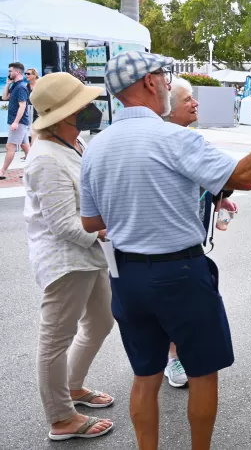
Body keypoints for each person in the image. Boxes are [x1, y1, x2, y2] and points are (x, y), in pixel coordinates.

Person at [79, 51, 251, 450]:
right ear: (150, 83)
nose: (167, 83)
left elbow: (91, 222)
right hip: (179, 272)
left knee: (145, 375)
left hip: (126, 277)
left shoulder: (97, 147)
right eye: (163, 75)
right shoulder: (175, 137)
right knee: (203, 372)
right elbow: (241, 177)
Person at [23, 72, 115, 441]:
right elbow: (63, 224)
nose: (91, 109)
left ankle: (74, 387)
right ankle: (61, 418)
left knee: (101, 322)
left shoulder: (69, 146)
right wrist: (110, 233)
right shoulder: (46, 158)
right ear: (62, 116)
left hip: (88, 257)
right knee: (55, 339)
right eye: (82, 106)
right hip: (66, 261)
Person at [160, 76, 238, 389]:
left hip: (189, 243)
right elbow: (236, 175)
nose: (195, 104)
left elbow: (205, 180)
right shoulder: (170, 140)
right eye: (188, 99)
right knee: (175, 305)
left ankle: (176, 355)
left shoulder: (185, 138)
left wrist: (221, 197)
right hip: (170, 250)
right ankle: (174, 357)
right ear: (168, 108)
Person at [1, 62, 31, 179]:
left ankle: (2, 171)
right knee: (25, 147)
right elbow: (4, 97)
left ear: (17, 72)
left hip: (19, 123)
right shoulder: (15, 85)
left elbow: (22, 105)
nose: (9, 73)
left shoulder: (21, 87)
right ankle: (31, 171)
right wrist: (8, 84)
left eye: (10, 71)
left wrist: (16, 122)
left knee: (10, 146)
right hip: (18, 122)